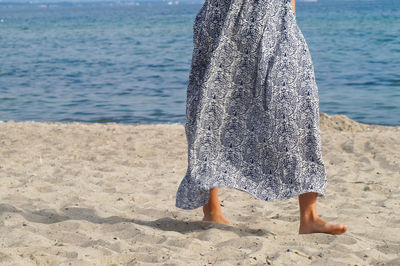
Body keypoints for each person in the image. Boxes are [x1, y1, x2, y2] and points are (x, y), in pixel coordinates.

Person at [175, 0, 347, 235]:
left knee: (296, 111)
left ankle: (309, 218)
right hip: (223, 19)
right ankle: (212, 210)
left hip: (278, 19)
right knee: (210, 113)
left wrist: (290, 10)